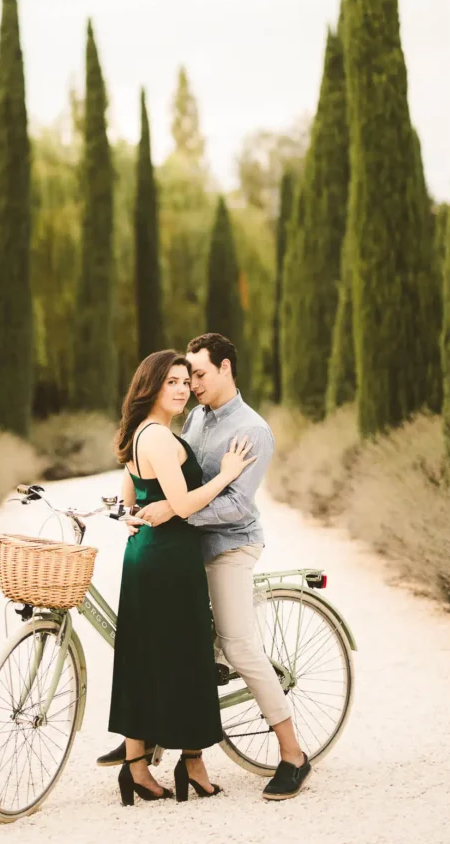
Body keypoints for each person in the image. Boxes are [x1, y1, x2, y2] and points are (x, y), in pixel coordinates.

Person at [99, 332, 311, 802]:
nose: (190, 383)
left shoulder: (253, 431)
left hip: (229, 546)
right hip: (186, 549)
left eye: (197, 374)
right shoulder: (193, 418)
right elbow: (157, 475)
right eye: (182, 376)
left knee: (236, 645)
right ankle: (158, 738)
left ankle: (293, 754)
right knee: (177, 643)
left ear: (225, 369)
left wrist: (173, 510)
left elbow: (235, 506)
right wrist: (141, 509)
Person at [107, 348, 256, 806]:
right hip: (169, 559)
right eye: (170, 381)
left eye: (184, 381)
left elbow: (130, 494)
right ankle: (187, 762)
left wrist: (128, 515)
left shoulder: (141, 433)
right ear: (150, 386)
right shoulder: (157, 437)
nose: (181, 388)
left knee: (142, 657)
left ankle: (137, 770)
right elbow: (185, 504)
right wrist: (227, 474)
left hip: (146, 555)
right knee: (188, 657)